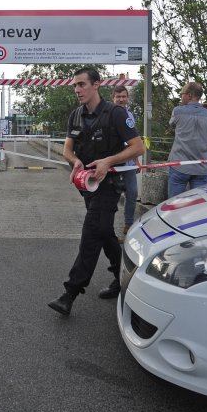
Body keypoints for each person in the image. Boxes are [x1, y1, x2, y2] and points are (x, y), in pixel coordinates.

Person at [48, 68, 144, 315]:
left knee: (91, 233)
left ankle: (70, 293)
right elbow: (67, 150)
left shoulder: (116, 114)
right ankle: (123, 274)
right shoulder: (76, 116)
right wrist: (75, 161)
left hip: (109, 184)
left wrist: (108, 161)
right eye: (75, 86)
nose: (77, 90)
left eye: (81, 84)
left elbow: (138, 147)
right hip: (86, 186)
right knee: (103, 231)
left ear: (96, 85)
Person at [166, 81, 207, 198]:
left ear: (189, 95)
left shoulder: (177, 111)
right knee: (198, 208)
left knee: (174, 204)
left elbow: (172, 125)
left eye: (181, 93)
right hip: (202, 168)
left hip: (179, 166)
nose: (181, 96)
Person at [112, 85, 143, 239]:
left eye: (123, 96)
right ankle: (107, 225)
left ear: (127, 98)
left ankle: (128, 224)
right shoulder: (108, 115)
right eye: (118, 97)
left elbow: (134, 141)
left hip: (129, 163)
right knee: (111, 195)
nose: (121, 99)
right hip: (114, 163)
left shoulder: (130, 115)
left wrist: (137, 161)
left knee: (132, 193)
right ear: (113, 98)